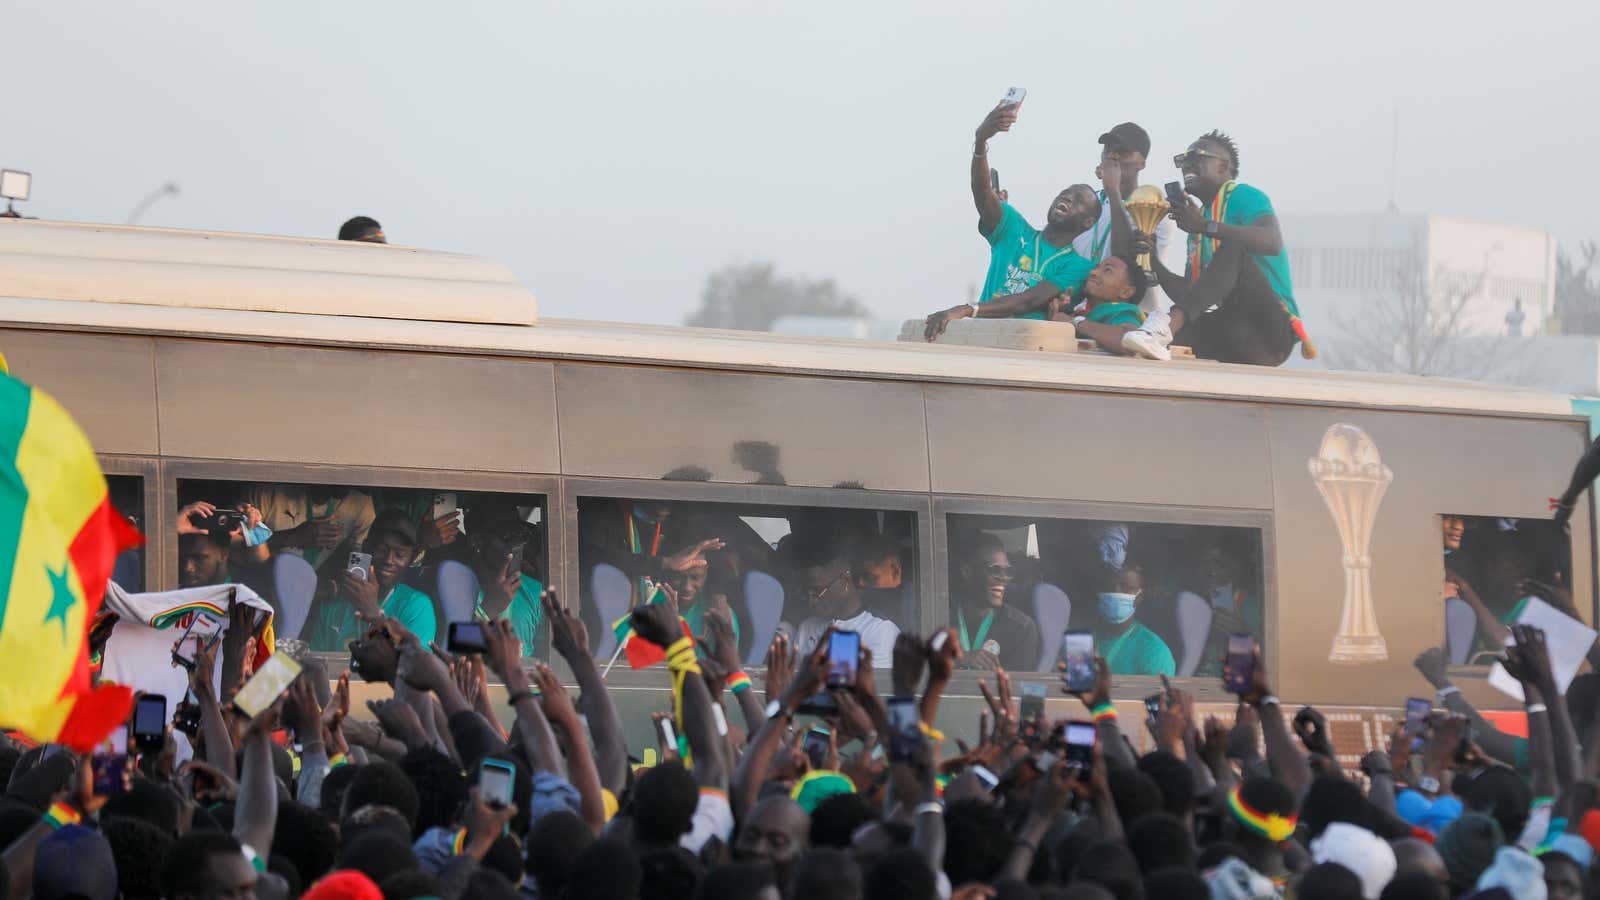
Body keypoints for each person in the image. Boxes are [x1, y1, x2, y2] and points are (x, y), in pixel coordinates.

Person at [921, 100, 1101, 340]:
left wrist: (967, 309)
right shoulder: (1015, 228)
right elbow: (983, 195)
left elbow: (1030, 300)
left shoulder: (1079, 266)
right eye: (1065, 192)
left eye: (1078, 200)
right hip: (981, 338)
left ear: (1087, 223)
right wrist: (980, 144)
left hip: (1025, 352)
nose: (1067, 197)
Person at [1153, 131, 1308, 366]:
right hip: (1236, 331)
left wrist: (1206, 226)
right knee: (1168, 344)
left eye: (1196, 157)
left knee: (1233, 247)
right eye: (1182, 160)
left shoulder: (1243, 195)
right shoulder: (1199, 224)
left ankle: (1164, 328)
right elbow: (1192, 296)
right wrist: (1150, 259)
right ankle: (1155, 336)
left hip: (1270, 331)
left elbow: (1271, 241)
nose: (1187, 164)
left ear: (1223, 166)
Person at [1074, 123, 1189, 361]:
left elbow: (1124, 259)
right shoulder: (1087, 203)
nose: (1113, 156)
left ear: (1142, 163)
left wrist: (1114, 191)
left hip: (1128, 318)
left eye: (1123, 153)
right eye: (1108, 149)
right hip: (1082, 307)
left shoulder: (1153, 206)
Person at [305, 508, 437, 650]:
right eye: (382, 550)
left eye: (400, 554)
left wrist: (374, 614)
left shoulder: (417, 606)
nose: (389, 560)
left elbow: (415, 665)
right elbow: (318, 660)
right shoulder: (335, 601)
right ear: (366, 548)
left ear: (411, 558)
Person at [792, 537, 900, 667]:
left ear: (844, 582)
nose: (811, 601)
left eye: (817, 590)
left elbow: (870, 687)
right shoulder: (807, 628)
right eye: (805, 593)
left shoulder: (880, 631)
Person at [949, 532, 1040, 671]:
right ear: (967, 572)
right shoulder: (940, 614)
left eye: (1008, 571)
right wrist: (959, 657)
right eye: (995, 570)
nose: (1003, 578)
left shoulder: (1020, 628)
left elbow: (1016, 689)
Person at [467, 506, 546, 657]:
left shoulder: (536, 592)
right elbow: (453, 655)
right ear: (477, 542)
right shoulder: (455, 586)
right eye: (508, 535)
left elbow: (552, 663)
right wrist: (488, 610)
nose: (517, 543)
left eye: (521, 534)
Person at [1092, 562, 1174, 677]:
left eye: (1125, 587)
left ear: (1139, 597)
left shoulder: (1154, 651)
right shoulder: (1083, 640)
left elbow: (1157, 694)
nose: (1116, 591)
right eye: (1109, 586)